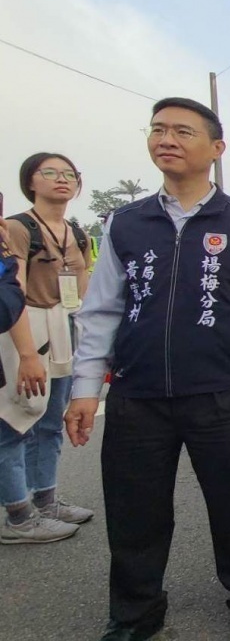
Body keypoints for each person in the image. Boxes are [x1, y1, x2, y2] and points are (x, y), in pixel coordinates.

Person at [64, 97, 230, 641]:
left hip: (224, 391)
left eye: (183, 131)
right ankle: (136, 611)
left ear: (216, 148)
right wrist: (86, 388)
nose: (167, 138)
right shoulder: (125, 222)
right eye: (159, 129)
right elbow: (101, 311)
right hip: (138, 393)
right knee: (134, 509)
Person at [0, 152, 93, 544]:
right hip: (23, 329)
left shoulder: (78, 232)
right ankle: (19, 516)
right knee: (15, 422)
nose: (61, 179)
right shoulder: (18, 228)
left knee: (52, 421)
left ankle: (46, 501)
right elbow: (10, 292)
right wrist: (24, 356)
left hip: (62, 328)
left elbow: (84, 290)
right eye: (50, 172)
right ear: (30, 182)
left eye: (69, 173)